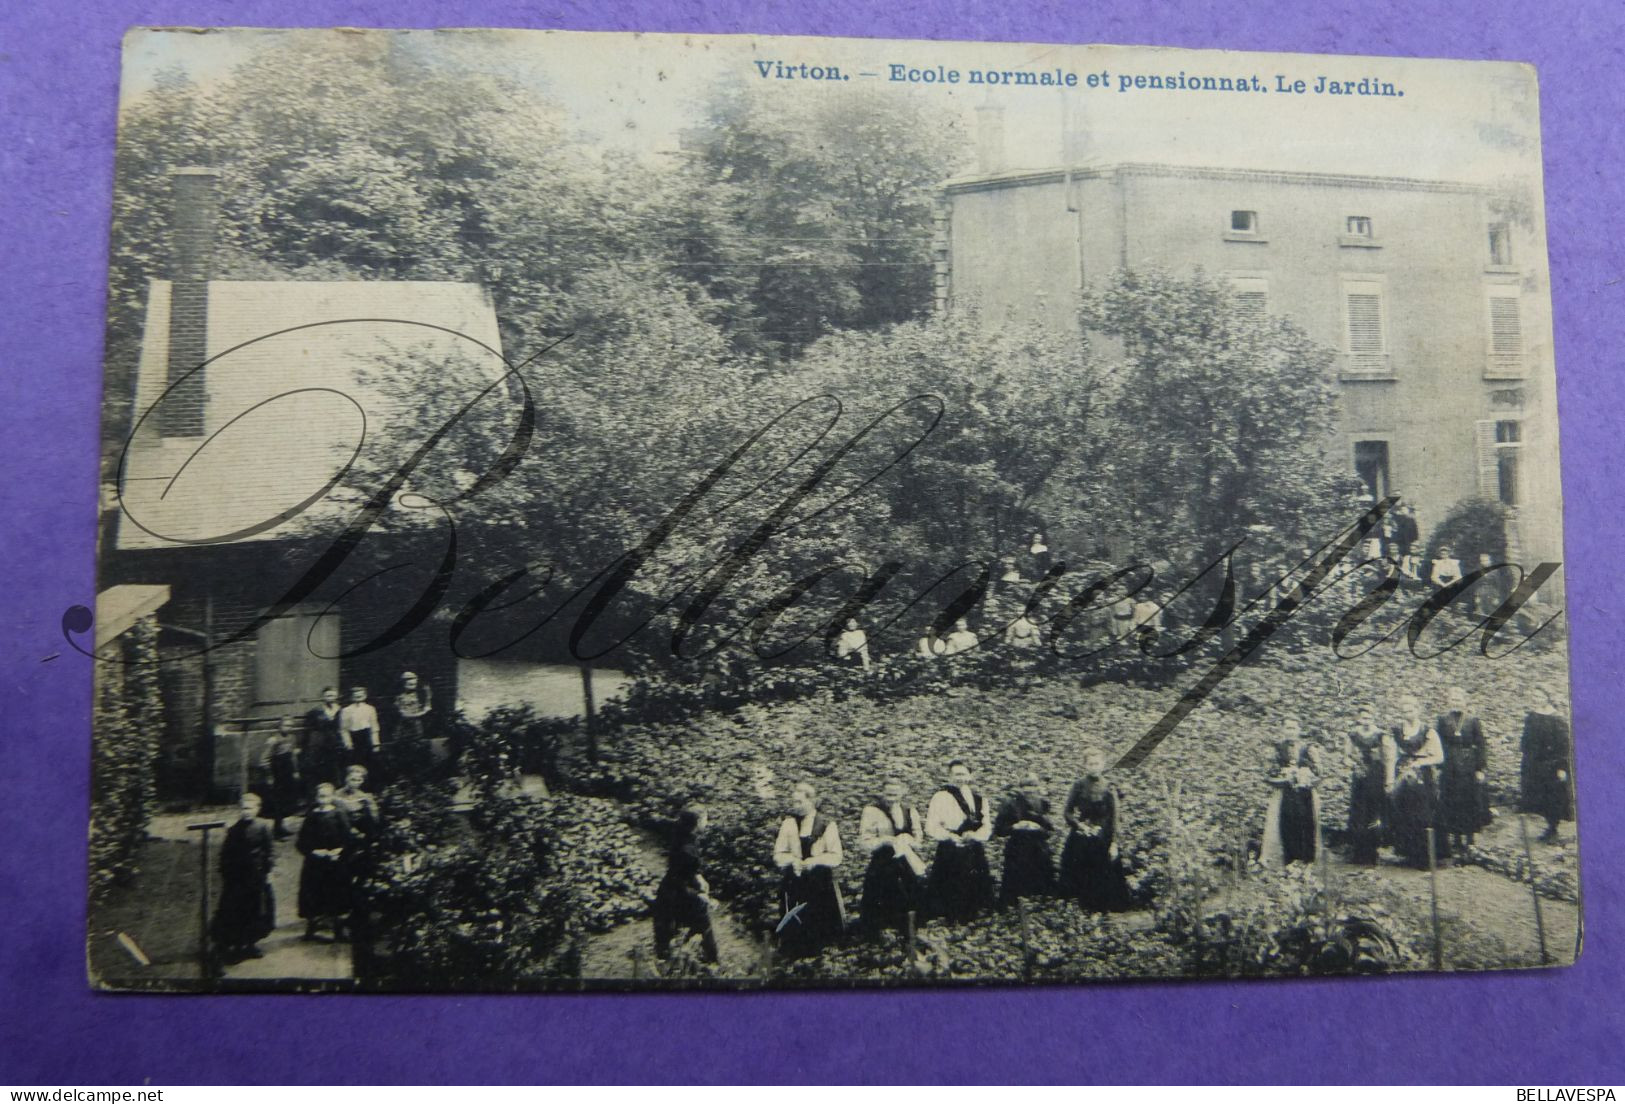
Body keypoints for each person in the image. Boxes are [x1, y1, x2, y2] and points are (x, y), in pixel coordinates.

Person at [772, 782, 845, 958]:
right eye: (794, 802)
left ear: (811, 801)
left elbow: (836, 856)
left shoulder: (826, 824)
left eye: (799, 802)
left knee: (818, 922)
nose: (795, 806)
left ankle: (817, 961)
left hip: (819, 883)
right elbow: (778, 854)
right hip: (795, 881)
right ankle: (793, 959)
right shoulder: (789, 824)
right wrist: (792, 860)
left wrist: (815, 861)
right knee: (794, 921)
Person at [924, 759, 996, 922]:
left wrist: (976, 836)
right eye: (956, 774)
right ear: (949, 776)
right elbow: (931, 826)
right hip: (951, 848)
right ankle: (952, 919)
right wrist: (950, 837)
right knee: (951, 886)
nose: (960, 778)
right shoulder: (941, 796)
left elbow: (986, 825)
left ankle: (975, 916)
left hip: (973, 847)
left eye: (963, 774)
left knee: (976, 884)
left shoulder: (979, 799)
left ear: (970, 775)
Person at [1058, 752, 1129, 911]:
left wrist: (1115, 843)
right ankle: (1081, 909)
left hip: (1104, 836)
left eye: (1097, 764)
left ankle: (1103, 909)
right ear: (1085, 765)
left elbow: (1116, 817)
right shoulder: (1078, 785)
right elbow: (1067, 812)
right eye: (1090, 764)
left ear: (1103, 765)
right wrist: (1079, 825)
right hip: (1082, 835)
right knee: (1081, 872)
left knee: (1103, 873)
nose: (1094, 767)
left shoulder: (1110, 785)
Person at [210, 792, 276, 963]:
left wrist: (268, 872)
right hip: (237, 878)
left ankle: (250, 943)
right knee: (236, 911)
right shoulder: (234, 830)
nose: (246, 811)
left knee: (255, 910)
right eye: (243, 808)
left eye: (250, 808)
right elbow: (226, 854)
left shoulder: (263, 827)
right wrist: (226, 873)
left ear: (257, 809)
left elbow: (269, 852)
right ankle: (235, 944)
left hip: (256, 876)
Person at [857, 779, 926, 938]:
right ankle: (879, 933)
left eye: (895, 794)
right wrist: (884, 840)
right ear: (882, 793)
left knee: (910, 893)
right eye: (888, 794)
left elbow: (918, 838)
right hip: (883, 861)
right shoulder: (872, 811)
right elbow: (865, 841)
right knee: (880, 895)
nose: (891, 798)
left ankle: (907, 930)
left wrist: (909, 839)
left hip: (905, 860)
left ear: (902, 793)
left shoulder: (909, 811)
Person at [652, 805, 718, 964]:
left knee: (690, 932)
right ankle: (709, 965)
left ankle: (697, 961)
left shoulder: (685, 837)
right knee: (694, 930)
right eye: (705, 818)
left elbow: (688, 868)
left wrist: (698, 876)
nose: (707, 822)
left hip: (677, 890)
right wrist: (701, 896)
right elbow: (679, 880)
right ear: (697, 822)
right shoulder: (686, 848)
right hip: (676, 895)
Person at [1389, 695, 1447, 868]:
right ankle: (1408, 854)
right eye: (1405, 710)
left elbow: (1439, 757)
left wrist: (1420, 763)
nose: (1409, 713)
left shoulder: (1428, 731)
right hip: (1404, 774)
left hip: (1423, 776)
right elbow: (1393, 755)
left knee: (1423, 814)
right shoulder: (1398, 732)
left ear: (1418, 709)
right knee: (1405, 813)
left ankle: (1425, 857)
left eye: (1412, 709)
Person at [296, 782, 355, 942]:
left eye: (327, 796)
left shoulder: (339, 814)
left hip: (335, 863)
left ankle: (338, 929)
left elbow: (348, 838)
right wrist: (314, 851)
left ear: (332, 797)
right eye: (321, 796)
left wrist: (339, 851)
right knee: (313, 894)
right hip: (315, 863)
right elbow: (301, 842)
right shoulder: (311, 816)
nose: (323, 799)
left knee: (337, 894)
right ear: (316, 797)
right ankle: (312, 927)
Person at [1436, 687, 1492, 851]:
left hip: (1468, 765)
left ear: (1464, 702)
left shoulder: (1472, 720)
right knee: (1452, 801)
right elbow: (1438, 743)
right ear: (1448, 702)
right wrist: (1440, 766)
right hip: (1449, 765)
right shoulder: (1442, 720)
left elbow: (1481, 744)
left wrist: (1480, 768)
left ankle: (1470, 836)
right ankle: (1456, 838)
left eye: (1459, 700)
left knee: (1469, 801)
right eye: (1453, 700)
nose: (1456, 702)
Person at [1260, 722, 1321, 866]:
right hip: (1283, 794)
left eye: (1293, 728)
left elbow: (1319, 774)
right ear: (1282, 730)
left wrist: (1306, 777)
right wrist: (1284, 778)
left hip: (1306, 794)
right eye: (1288, 728)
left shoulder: (1308, 749)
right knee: (1285, 825)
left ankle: (1307, 861)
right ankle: (1287, 861)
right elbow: (1267, 775)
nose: (1291, 731)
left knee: (1307, 824)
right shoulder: (1276, 749)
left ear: (1299, 730)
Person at [993, 773, 1056, 907]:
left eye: (1033, 786)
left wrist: (1038, 827)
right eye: (1025, 786)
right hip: (1017, 847)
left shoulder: (1042, 803)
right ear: (1020, 788)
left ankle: (1039, 902)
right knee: (1016, 882)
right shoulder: (1010, 803)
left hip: (1038, 847)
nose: (1029, 790)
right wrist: (1015, 826)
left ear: (1037, 788)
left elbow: (1049, 830)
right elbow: (999, 829)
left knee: (1041, 881)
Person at [1521, 686, 1574, 843]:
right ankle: (1548, 826)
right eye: (1534, 696)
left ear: (1547, 697)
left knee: (1553, 797)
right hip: (1534, 764)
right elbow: (1526, 739)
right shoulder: (1531, 716)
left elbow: (1564, 745)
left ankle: (1553, 828)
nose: (1536, 699)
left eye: (1540, 696)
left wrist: (1562, 767)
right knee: (1540, 797)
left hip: (1551, 765)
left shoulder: (1556, 719)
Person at [1345, 707, 1395, 865]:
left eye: (1369, 718)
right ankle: (1359, 852)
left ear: (1374, 718)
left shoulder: (1381, 735)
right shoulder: (1352, 735)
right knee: (1359, 812)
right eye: (1363, 718)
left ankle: (1373, 852)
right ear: (1359, 719)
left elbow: (1388, 759)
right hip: (1360, 777)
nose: (1366, 721)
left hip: (1376, 777)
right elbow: (1346, 756)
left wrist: (1388, 780)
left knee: (1374, 812)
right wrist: (1352, 765)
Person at [261, 720, 302, 840]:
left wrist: (295, 771)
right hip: (277, 772)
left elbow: (293, 756)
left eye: (290, 725)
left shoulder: (292, 738)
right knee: (277, 802)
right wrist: (269, 776)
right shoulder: (273, 740)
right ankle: (276, 831)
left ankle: (281, 827)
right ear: (280, 727)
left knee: (286, 801)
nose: (288, 728)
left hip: (288, 773)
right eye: (285, 725)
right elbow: (264, 760)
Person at [302, 686, 343, 792]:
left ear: (336, 696)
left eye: (333, 695)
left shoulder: (341, 710)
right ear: (323, 697)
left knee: (334, 768)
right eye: (328, 695)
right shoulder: (316, 711)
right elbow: (309, 730)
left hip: (335, 743)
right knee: (319, 768)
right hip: (320, 743)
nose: (330, 698)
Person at [338, 686, 380, 778]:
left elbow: (374, 726)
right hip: (354, 738)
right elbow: (344, 729)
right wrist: (348, 742)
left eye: (361, 696)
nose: (358, 698)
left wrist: (376, 743)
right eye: (356, 696)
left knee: (369, 762)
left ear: (365, 696)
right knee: (355, 763)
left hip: (367, 737)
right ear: (352, 697)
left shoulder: (370, 709)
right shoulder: (346, 710)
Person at [1394, 503, 1421, 578]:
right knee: (1399, 557)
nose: (1403, 511)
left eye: (1405, 509)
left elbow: (1415, 532)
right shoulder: (1398, 519)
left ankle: (1409, 573)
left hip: (1409, 542)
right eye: (1402, 509)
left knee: (1408, 557)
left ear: (1408, 510)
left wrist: (1415, 541)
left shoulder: (1411, 520)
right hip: (1400, 542)